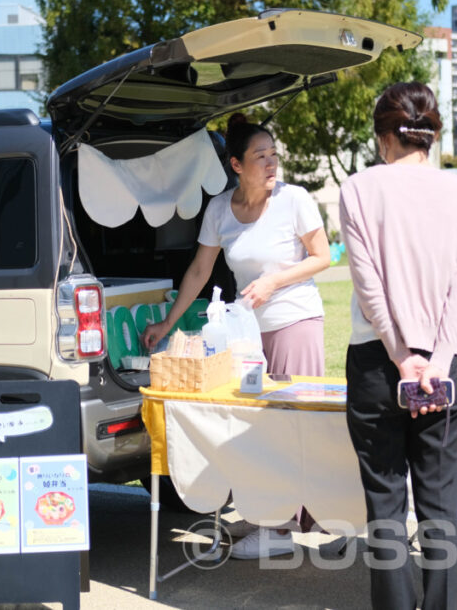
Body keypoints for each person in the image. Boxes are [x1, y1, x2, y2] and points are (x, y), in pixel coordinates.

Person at [142, 113, 331, 559]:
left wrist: (273, 282)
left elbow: (322, 257)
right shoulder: (220, 210)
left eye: (273, 155)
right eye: (259, 156)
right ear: (236, 165)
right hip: (247, 337)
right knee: (256, 428)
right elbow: (200, 270)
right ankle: (268, 513)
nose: (271, 164)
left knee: (292, 426)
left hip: (294, 324)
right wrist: (167, 325)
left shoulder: (294, 199)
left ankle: (282, 529)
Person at [338, 82, 457, 610]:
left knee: (385, 504)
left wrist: (404, 358)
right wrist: (437, 362)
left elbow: (368, 285)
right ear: (433, 134)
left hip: (379, 365)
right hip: (443, 367)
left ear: (385, 138)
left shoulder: (359, 188)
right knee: (439, 504)